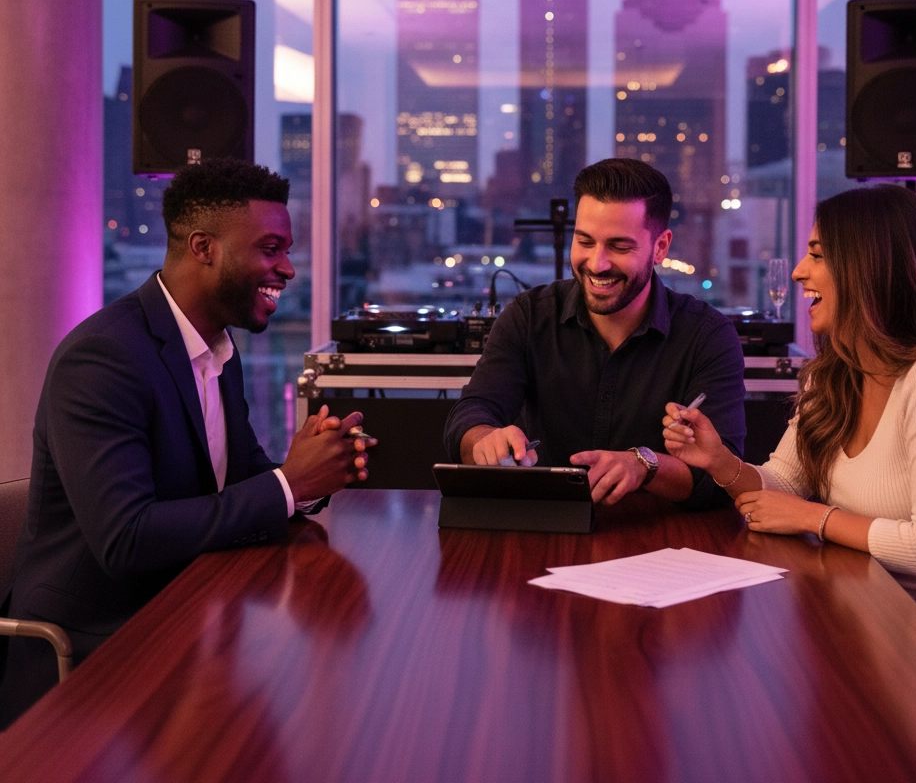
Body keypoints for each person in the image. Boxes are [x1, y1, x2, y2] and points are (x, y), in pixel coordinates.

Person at [0, 158, 373, 726]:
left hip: (190, 618)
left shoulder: (218, 348)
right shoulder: (103, 358)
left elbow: (243, 472)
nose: (289, 269)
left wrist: (310, 477)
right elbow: (126, 540)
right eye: (271, 248)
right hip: (92, 656)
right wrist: (289, 484)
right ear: (204, 247)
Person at [663, 184, 916, 703]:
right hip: (877, 632)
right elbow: (782, 483)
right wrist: (718, 461)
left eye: (817, 255)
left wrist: (812, 518)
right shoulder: (831, 376)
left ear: (870, 268)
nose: (797, 273)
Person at [443, 158, 746, 507]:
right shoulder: (528, 316)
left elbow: (723, 477)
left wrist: (645, 465)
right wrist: (485, 439)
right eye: (585, 241)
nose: (597, 263)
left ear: (660, 247)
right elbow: (470, 414)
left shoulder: (707, 336)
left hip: (662, 537)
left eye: (619, 247)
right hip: (547, 527)